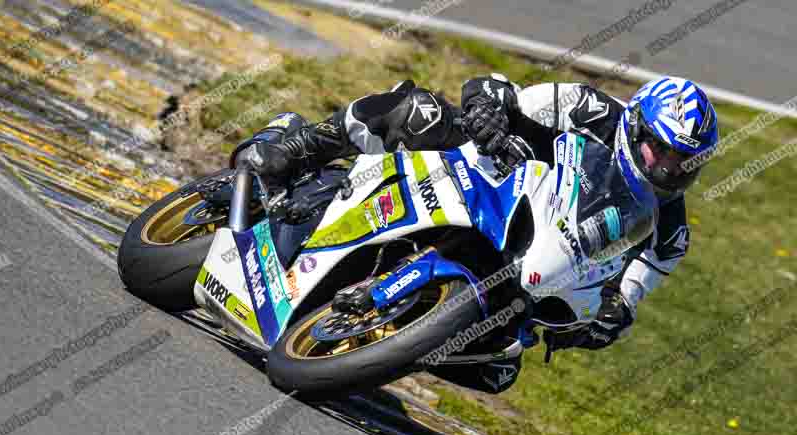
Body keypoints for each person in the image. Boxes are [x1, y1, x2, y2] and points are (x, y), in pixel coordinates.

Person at [232, 74, 719, 393]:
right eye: (662, 151)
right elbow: (502, 89)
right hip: (490, 171)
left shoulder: (669, 223)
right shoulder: (593, 108)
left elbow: (639, 282)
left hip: (535, 254)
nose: (669, 169)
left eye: (683, 164)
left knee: (499, 369)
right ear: (636, 126)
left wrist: (615, 314)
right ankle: (298, 148)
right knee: (419, 112)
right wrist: (488, 111)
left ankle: (395, 340)